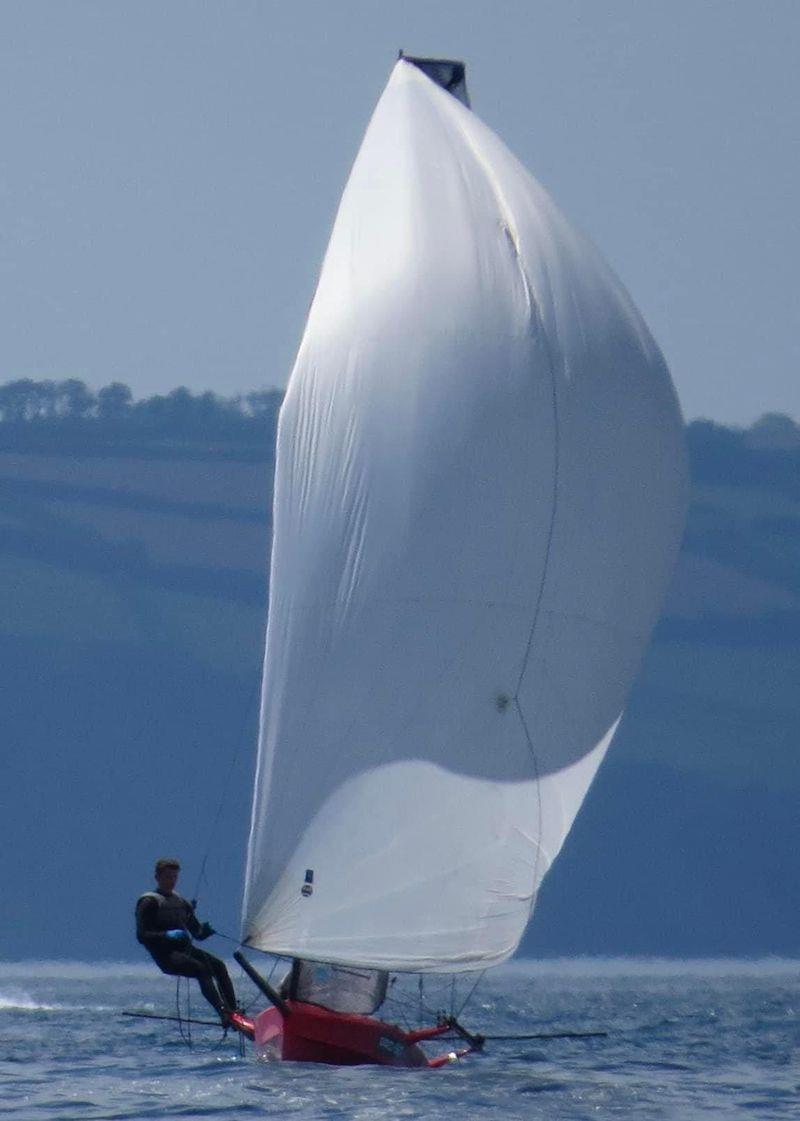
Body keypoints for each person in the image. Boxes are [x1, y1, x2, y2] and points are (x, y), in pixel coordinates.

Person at [135, 857, 237, 1024]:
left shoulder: (181, 902)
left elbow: (196, 933)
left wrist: (205, 931)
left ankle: (232, 1010)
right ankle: (222, 1013)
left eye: (175, 877)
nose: (172, 882)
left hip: (186, 950)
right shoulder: (148, 902)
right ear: (157, 878)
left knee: (218, 966)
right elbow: (142, 935)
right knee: (201, 969)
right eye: (168, 877)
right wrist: (167, 935)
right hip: (166, 955)